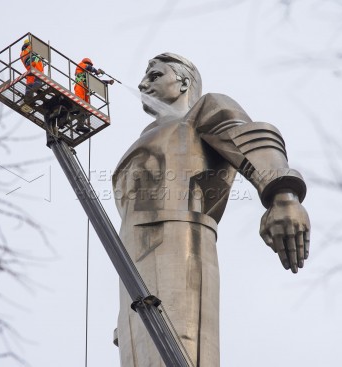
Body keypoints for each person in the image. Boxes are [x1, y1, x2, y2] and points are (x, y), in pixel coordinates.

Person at [112, 53, 310, 367]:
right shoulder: (146, 138)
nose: (142, 84)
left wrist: (283, 196)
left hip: (179, 238)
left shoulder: (201, 111)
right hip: (129, 258)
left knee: (182, 349)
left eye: (155, 75)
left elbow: (249, 137)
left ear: (183, 82)